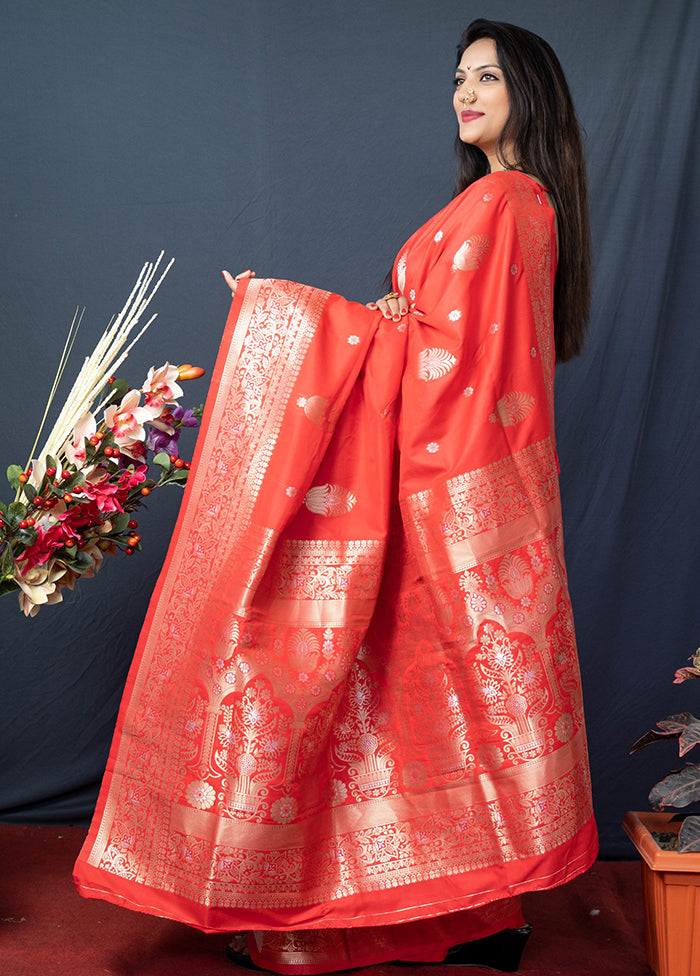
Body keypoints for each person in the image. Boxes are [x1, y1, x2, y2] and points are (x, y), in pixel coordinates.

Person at [74, 18, 597, 974]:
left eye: (487, 76)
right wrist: (357, 317)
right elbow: (434, 337)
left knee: (410, 689)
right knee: (413, 703)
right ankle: (470, 918)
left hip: (446, 489)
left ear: (532, 88)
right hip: (450, 483)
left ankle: (476, 916)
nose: (465, 94)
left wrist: (285, 318)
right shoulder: (502, 202)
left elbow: (449, 365)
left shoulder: (507, 201)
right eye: (456, 79)